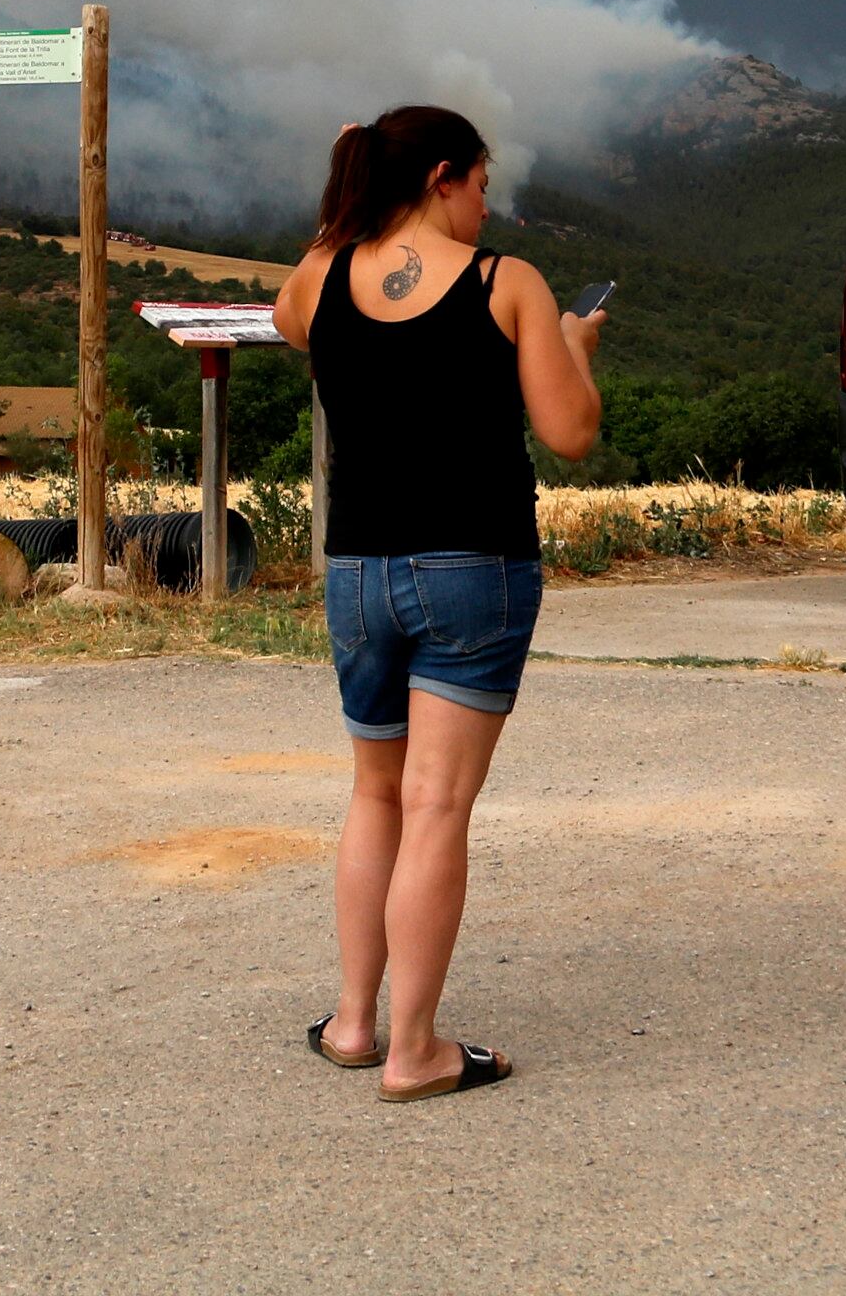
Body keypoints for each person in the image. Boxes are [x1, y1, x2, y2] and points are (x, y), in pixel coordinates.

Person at [272, 105, 603, 1103]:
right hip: (474, 566)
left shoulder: (323, 272)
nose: (485, 206)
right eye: (480, 186)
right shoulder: (509, 284)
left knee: (376, 793)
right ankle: (417, 1049)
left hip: (358, 571)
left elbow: (295, 315)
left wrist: (345, 198)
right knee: (438, 806)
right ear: (445, 176)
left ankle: (355, 1020)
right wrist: (575, 342)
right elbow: (571, 430)